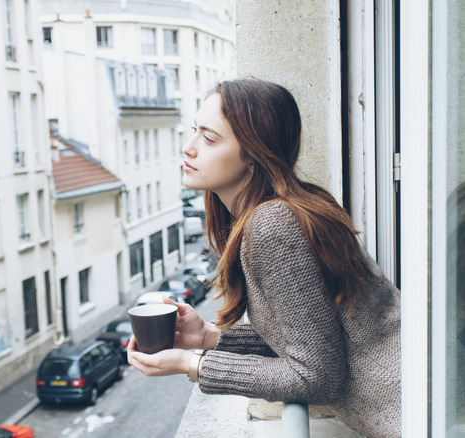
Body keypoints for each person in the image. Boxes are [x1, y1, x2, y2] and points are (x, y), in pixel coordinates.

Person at [127, 79, 401, 438]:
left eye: (209, 139)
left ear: (255, 155)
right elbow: (316, 339)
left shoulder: (274, 225)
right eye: (194, 131)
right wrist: (209, 337)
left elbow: (318, 377)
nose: (188, 147)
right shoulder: (284, 210)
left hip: (422, 411)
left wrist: (192, 364)